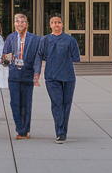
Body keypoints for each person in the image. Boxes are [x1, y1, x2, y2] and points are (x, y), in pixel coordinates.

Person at [34, 14, 80, 144]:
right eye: (53, 22)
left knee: (66, 105)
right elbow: (39, 56)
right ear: (50, 25)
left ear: (62, 24)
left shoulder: (70, 40)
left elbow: (75, 56)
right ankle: (59, 132)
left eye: (59, 22)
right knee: (57, 103)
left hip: (68, 77)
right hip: (52, 77)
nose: (56, 25)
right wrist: (36, 73)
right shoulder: (45, 40)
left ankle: (63, 131)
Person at [2, 13, 40, 139]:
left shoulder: (34, 39)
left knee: (26, 104)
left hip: (28, 74)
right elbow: (4, 56)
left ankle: (24, 131)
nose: (20, 23)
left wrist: (36, 74)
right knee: (15, 103)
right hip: (14, 75)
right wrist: (6, 59)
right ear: (14, 24)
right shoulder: (10, 38)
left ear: (27, 24)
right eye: (17, 21)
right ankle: (19, 128)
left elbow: (37, 58)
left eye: (22, 21)